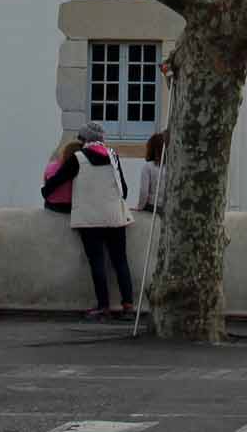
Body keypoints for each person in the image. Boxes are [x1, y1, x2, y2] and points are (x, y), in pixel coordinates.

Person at [42, 119, 134, 318]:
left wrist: (45, 191)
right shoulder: (113, 156)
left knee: (97, 262)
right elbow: (124, 191)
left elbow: (58, 180)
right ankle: (128, 305)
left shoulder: (78, 158)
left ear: (84, 140)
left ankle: (103, 306)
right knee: (120, 261)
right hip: (115, 217)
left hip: (90, 219)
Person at [40, 137, 81, 214]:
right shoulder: (80, 169)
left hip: (52, 205)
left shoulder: (51, 166)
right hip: (70, 207)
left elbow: (45, 181)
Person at [135, 130, 168, 213]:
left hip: (152, 206)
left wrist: (139, 207)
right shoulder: (171, 167)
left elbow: (144, 192)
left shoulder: (148, 167)